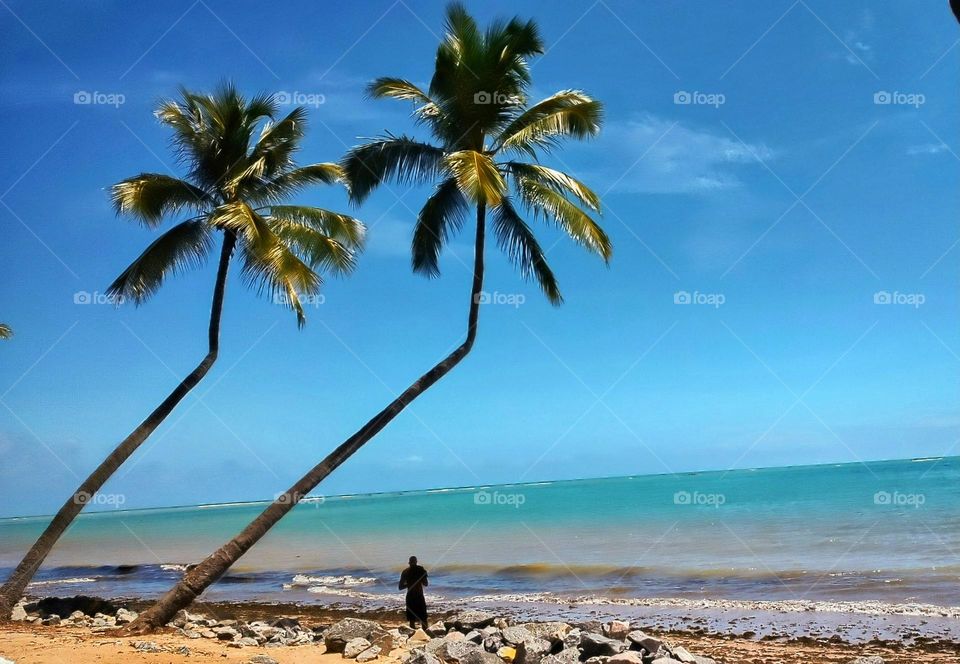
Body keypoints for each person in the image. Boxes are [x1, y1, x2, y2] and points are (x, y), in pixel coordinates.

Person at [398, 555, 429, 630]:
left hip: (410, 597)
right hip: (419, 596)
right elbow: (426, 584)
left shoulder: (405, 572)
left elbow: (400, 587)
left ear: (409, 563)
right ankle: (426, 634)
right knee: (423, 618)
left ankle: (412, 635)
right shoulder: (421, 570)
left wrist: (409, 584)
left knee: (412, 620)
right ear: (416, 562)